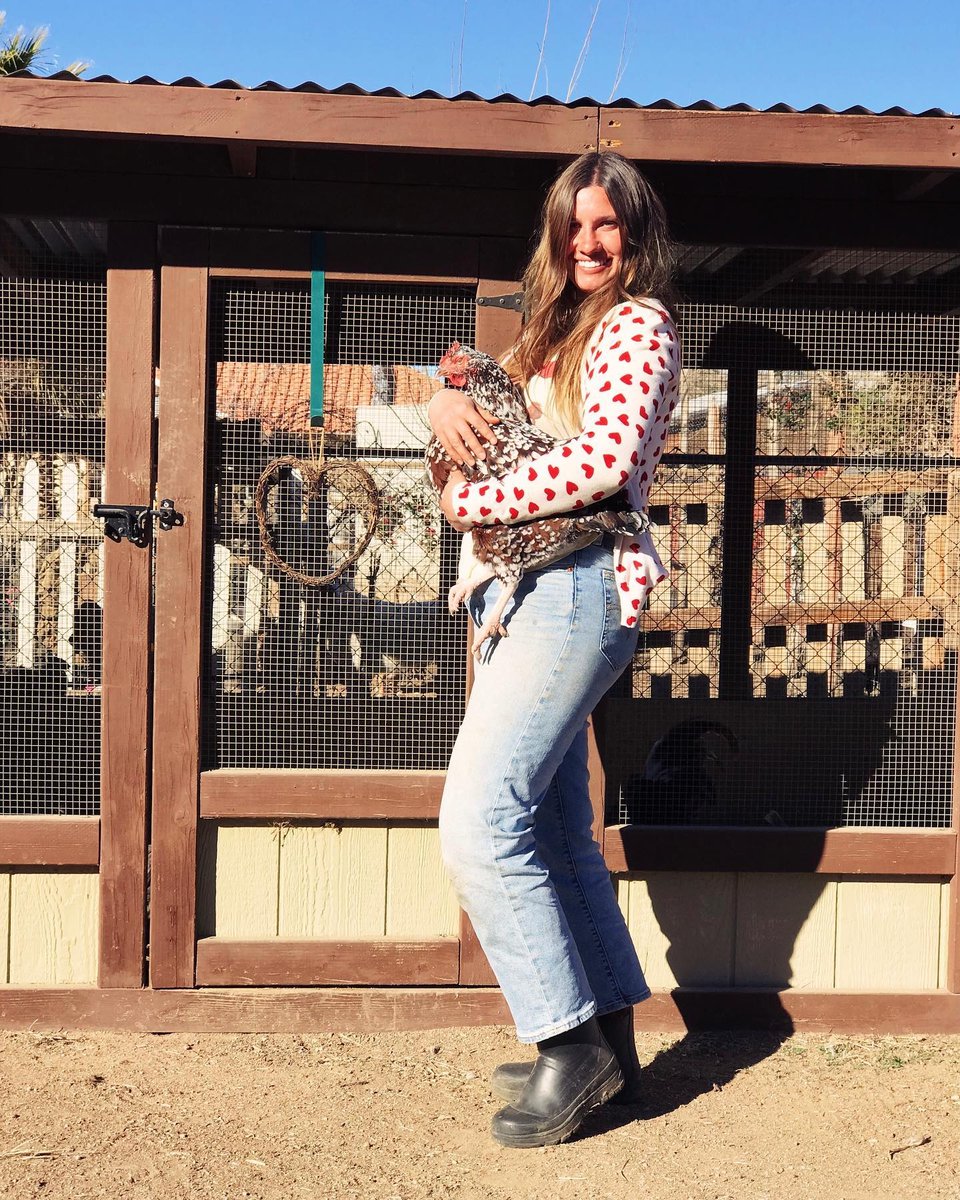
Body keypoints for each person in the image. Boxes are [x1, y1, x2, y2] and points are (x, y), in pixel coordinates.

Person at [430, 150, 679, 1149]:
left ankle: (565, 1044)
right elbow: (501, 431)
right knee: (553, 827)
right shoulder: (562, 329)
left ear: (636, 233)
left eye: (606, 224)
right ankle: (611, 1041)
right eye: (574, 226)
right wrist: (444, 409)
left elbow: (607, 458)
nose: (588, 241)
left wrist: (474, 503)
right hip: (532, 588)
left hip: (581, 585)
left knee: (479, 821)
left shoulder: (637, 324)